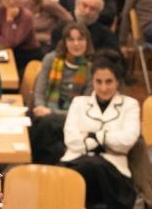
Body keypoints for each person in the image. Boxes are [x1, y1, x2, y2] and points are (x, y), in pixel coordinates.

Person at [63, 63, 140, 209]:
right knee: (82, 170)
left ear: (118, 82)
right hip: (77, 162)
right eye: (98, 82)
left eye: (109, 82)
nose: (104, 88)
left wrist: (93, 136)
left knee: (89, 169)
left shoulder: (130, 105)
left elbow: (128, 140)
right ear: (92, 81)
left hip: (112, 173)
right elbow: (70, 139)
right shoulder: (79, 103)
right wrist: (107, 142)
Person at [31, 22, 100, 163]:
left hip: (73, 119)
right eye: (71, 39)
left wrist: (51, 114)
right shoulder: (51, 59)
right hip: (44, 111)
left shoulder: (92, 68)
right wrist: (41, 107)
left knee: (47, 123)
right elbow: (39, 92)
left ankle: (35, 165)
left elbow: (84, 108)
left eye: (80, 39)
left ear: (87, 42)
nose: (76, 44)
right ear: (64, 42)